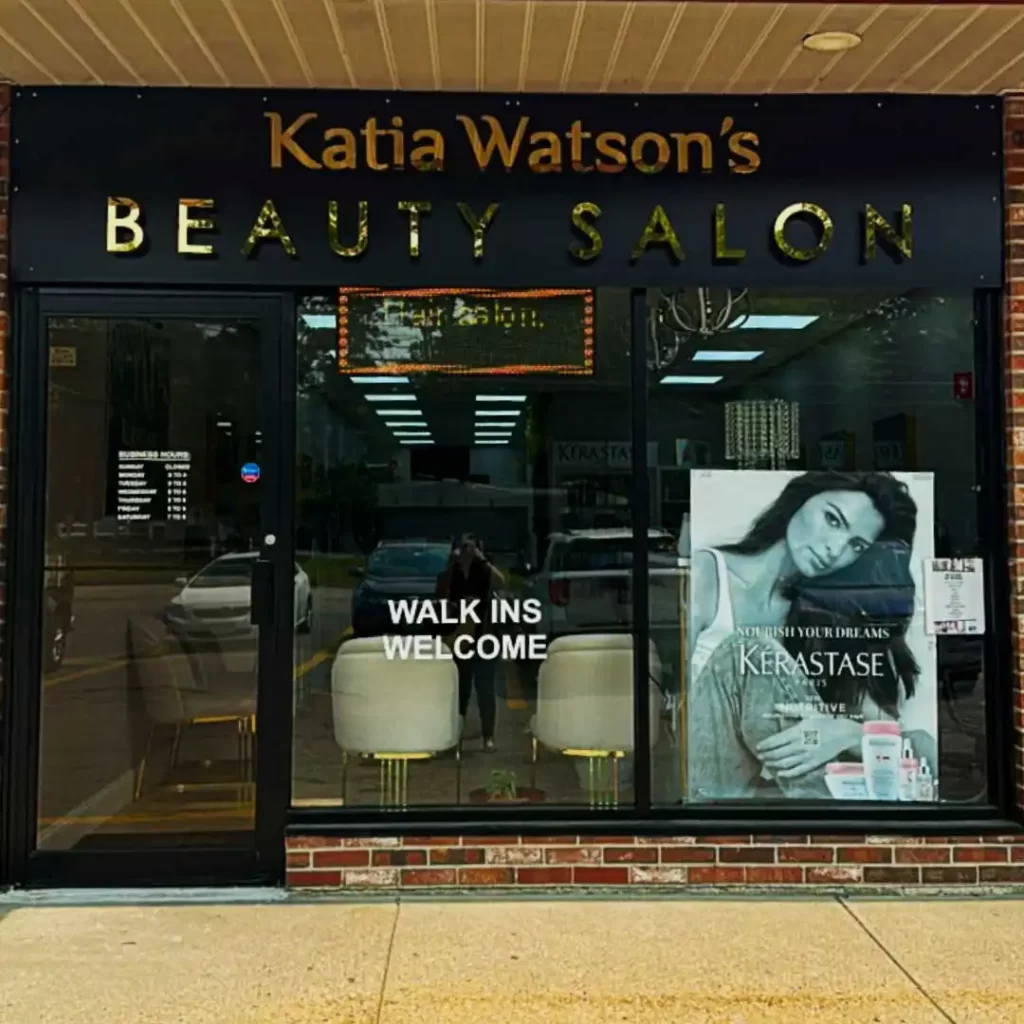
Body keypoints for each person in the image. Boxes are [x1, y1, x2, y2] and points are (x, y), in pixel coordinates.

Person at [687, 539, 937, 799]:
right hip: (711, 784)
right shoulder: (756, 639)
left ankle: (824, 811)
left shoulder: (855, 657)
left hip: (765, 797)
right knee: (746, 649)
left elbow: (925, 752)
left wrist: (851, 734)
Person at [690, 471, 917, 680]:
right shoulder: (705, 574)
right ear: (801, 499)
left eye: (856, 546)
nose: (836, 549)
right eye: (833, 519)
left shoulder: (818, 616)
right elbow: (674, 694)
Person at [436, 533, 506, 751]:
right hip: (459, 637)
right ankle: (454, 735)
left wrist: (481, 558)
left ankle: (488, 736)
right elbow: (441, 592)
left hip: (484, 636)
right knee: (461, 690)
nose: (466, 552)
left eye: (470, 547)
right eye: (463, 547)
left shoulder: (484, 569)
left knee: (485, 689)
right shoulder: (452, 572)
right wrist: (452, 563)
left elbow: (501, 582)